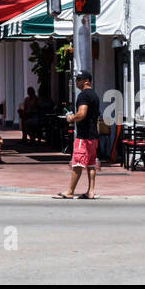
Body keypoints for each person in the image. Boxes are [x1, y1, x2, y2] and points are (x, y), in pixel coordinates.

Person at [56, 71, 101, 199]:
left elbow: (82, 114)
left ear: (87, 81)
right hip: (93, 136)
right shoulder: (94, 95)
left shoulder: (83, 95)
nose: (77, 82)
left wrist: (71, 118)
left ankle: (70, 191)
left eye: (79, 79)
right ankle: (91, 191)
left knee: (77, 163)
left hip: (84, 136)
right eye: (76, 79)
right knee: (91, 164)